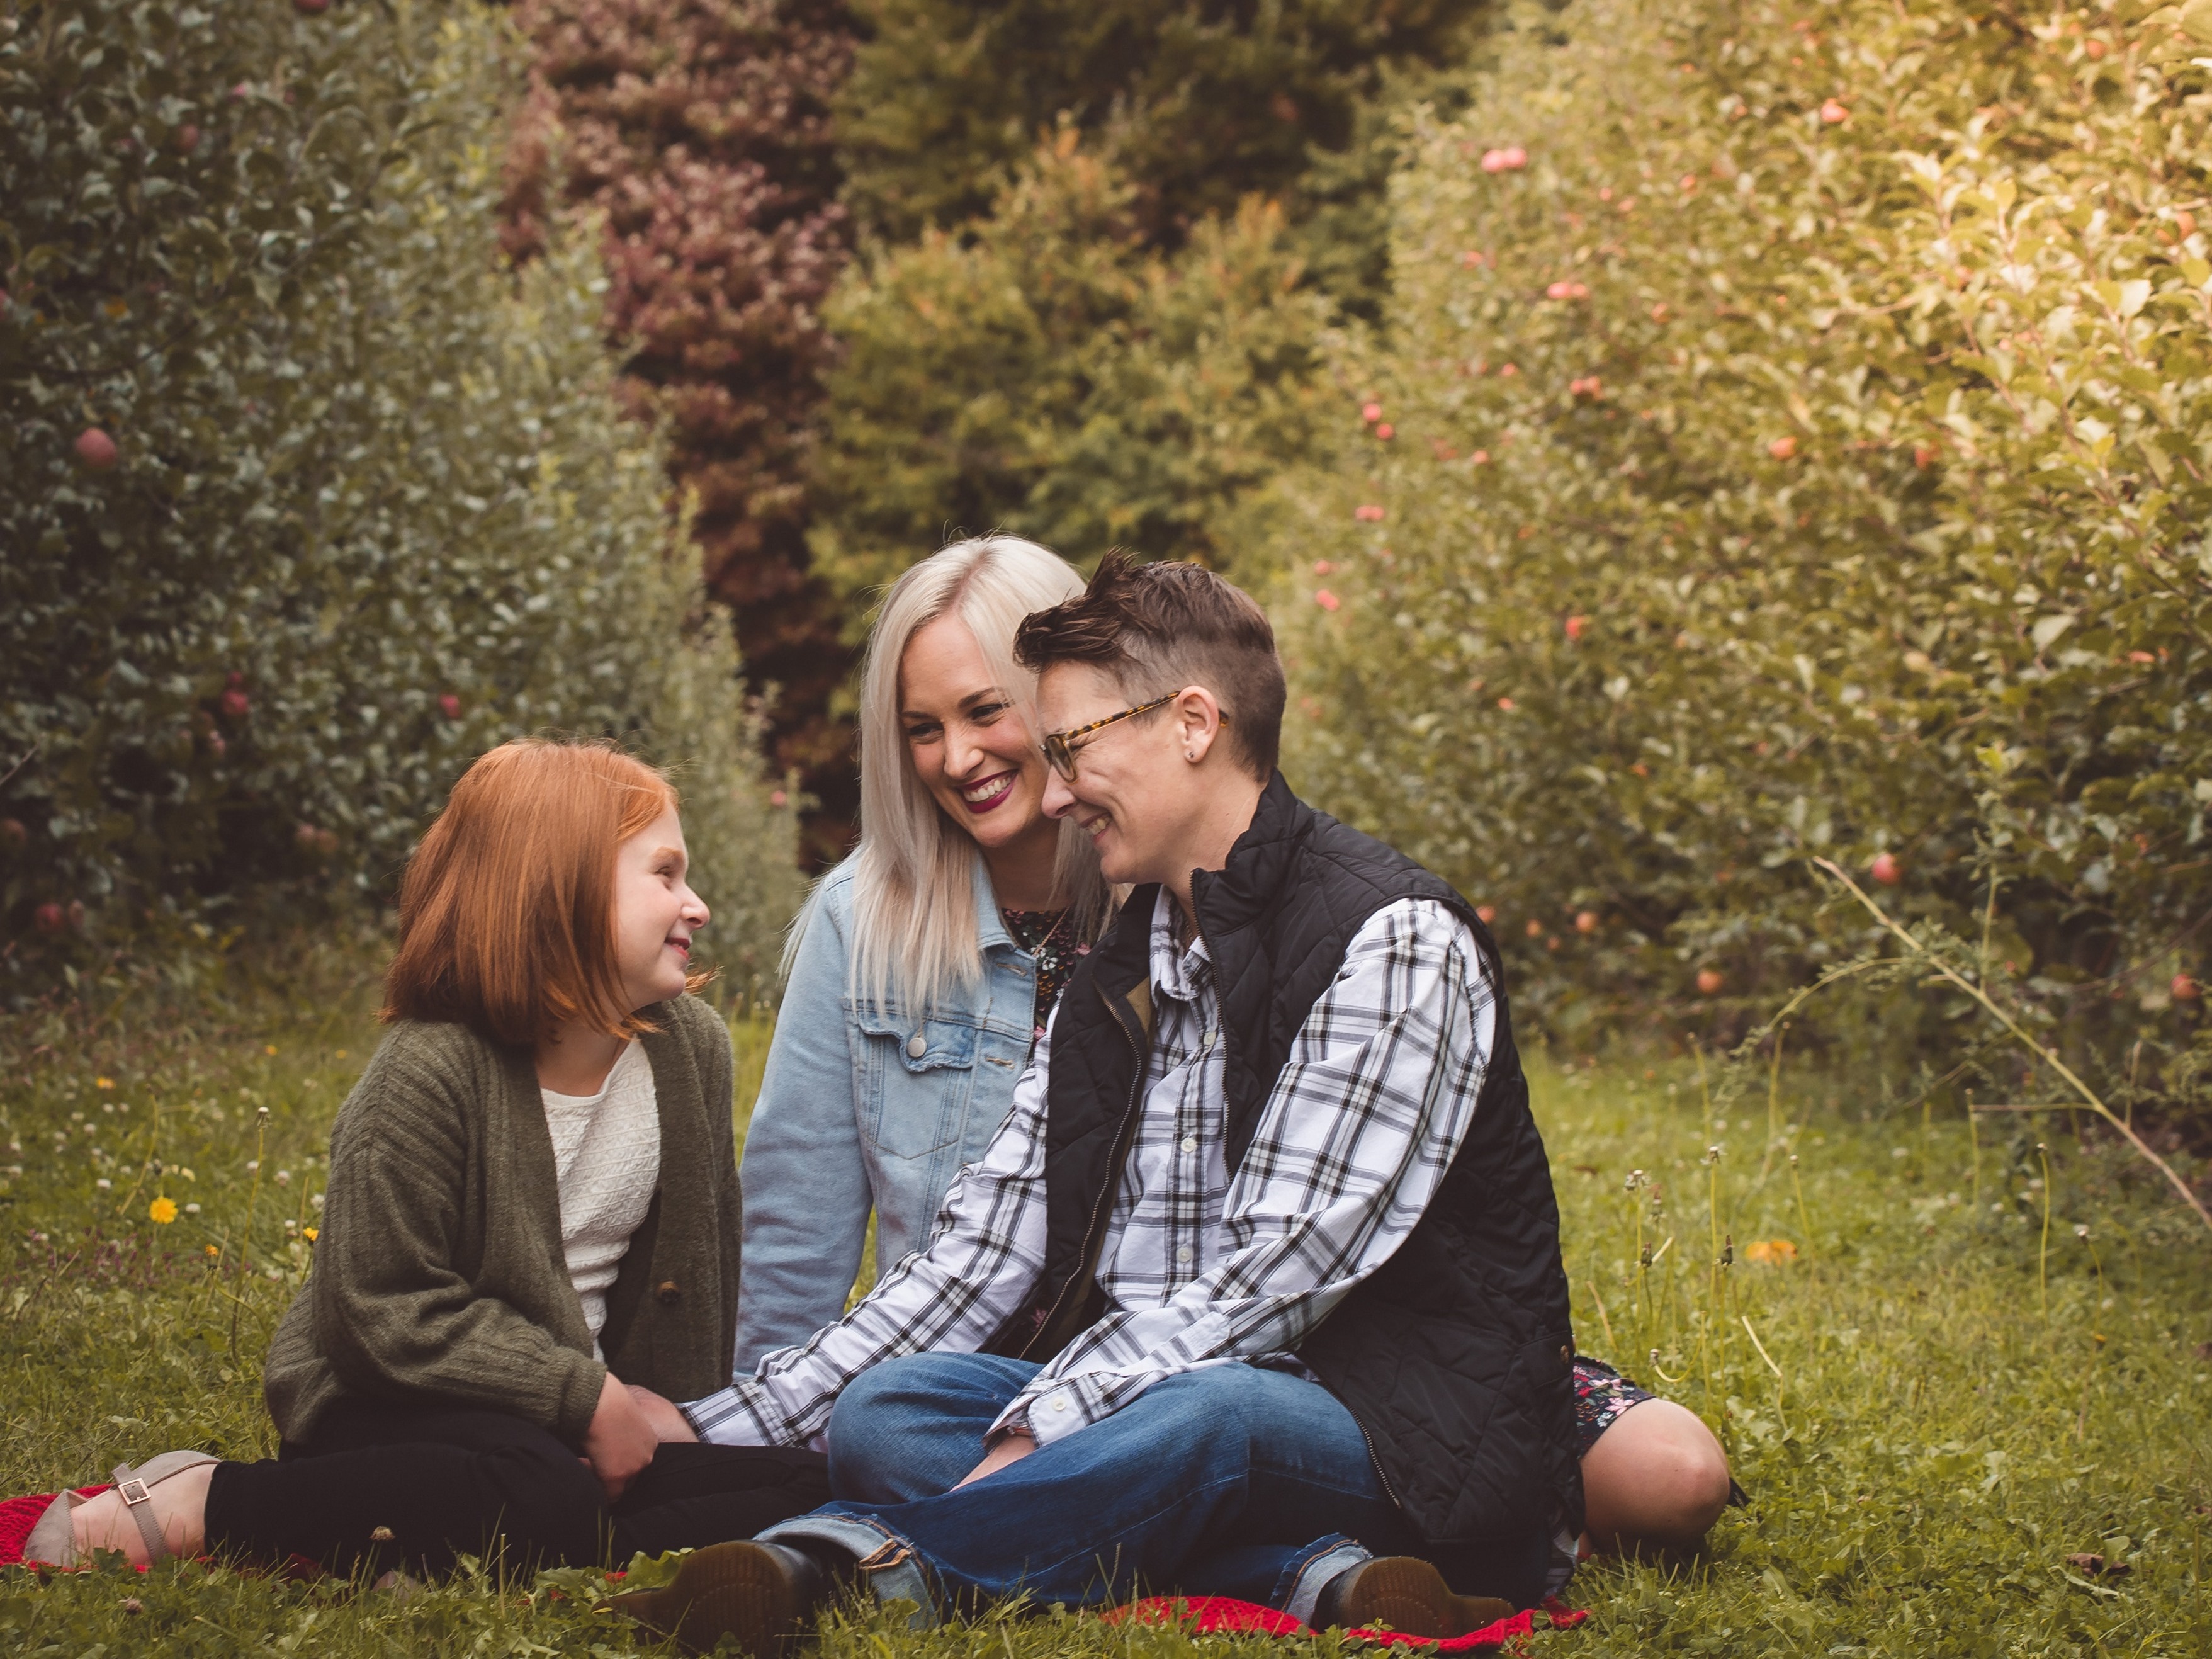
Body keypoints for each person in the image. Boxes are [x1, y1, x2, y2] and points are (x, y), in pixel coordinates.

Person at [611, 556, 1661, 1655]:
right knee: (894, 1410)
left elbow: (1270, 1286)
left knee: (1210, 1414)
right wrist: (706, 1432)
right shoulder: (1130, 956)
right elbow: (985, 1246)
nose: (1056, 792)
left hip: (1378, 1417)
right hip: (1158, 1405)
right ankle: (1306, 1580)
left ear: (1193, 723)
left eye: (1071, 747)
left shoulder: (1390, 939)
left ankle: (859, 1567)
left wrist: (1038, 1435)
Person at [21, 739, 828, 1576]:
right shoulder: (430, 1068)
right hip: (396, 1398)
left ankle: (499, 1547)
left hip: (562, 1428)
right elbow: (381, 1308)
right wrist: (583, 1397)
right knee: (540, 1492)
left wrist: (646, 1413)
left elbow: (698, 1260)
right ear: (556, 888)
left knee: (814, 1480)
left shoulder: (688, 1048)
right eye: (664, 874)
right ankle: (212, 1499)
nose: (695, 905)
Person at [735, 536, 1113, 1369]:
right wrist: (748, 1447)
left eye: (985, 711)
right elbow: (796, 1226)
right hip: (927, 1390)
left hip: (1126, 1393)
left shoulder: (1164, 908)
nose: (956, 758)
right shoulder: (860, 918)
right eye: (921, 729)